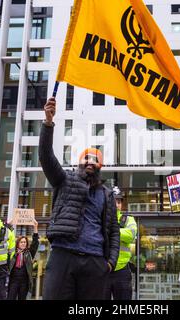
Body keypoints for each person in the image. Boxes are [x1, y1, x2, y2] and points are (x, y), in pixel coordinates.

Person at [39, 97, 120, 300]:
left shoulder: (107, 194)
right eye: (86, 159)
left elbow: (113, 231)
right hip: (63, 255)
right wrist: (48, 123)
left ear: (101, 167)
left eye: (95, 161)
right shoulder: (65, 179)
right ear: (79, 162)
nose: (90, 163)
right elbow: (46, 156)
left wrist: (109, 262)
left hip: (95, 262)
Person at [105, 187, 137, 300]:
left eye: (119, 202)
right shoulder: (101, 219)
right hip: (104, 269)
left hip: (122, 270)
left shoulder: (128, 219)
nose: (117, 204)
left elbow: (131, 235)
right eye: (114, 201)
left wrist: (112, 231)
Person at [7, 220, 40, 300]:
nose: (23, 243)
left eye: (25, 242)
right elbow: (6, 240)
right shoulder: (12, 252)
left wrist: (35, 227)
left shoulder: (29, 253)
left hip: (24, 281)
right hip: (13, 280)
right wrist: (8, 226)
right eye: (21, 242)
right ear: (17, 243)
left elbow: (35, 243)